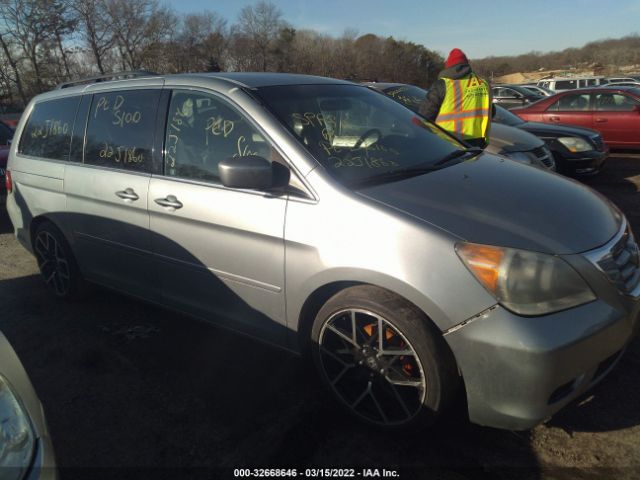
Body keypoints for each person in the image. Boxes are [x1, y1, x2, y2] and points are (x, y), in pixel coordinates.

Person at [419, 48, 492, 148]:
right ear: (466, 65)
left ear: (448, 66)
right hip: (478, 143)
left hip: (448, 143)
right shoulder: (483, 83)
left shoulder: (443, 85)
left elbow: (424, 116)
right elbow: (491, 111)